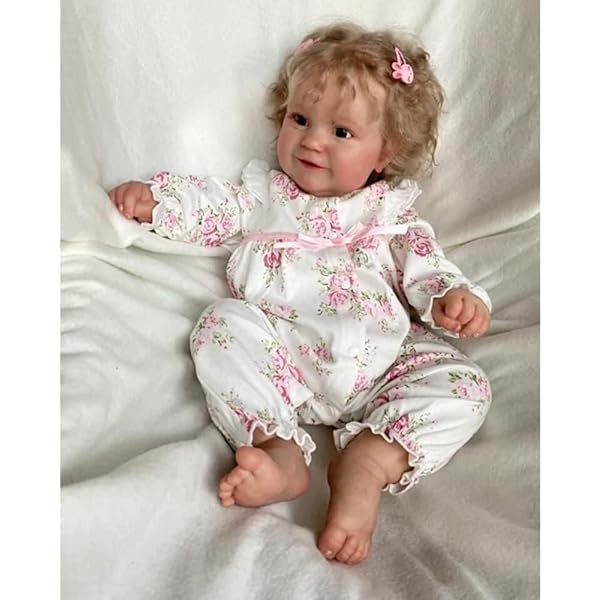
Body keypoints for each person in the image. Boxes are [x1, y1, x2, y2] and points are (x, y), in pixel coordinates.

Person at [108, 22, 492, 565]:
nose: (312, 140)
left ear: (385, 152)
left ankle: (371, 460)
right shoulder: (265, 198)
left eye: (342, 132)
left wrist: (452, 298)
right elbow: (213, 207)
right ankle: (279, 448)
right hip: (285, 363)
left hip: (383, 364)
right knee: (221, 326)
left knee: (466, 385)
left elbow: (428, 270)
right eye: (300, 120)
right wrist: (160, 202)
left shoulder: (391, 216)